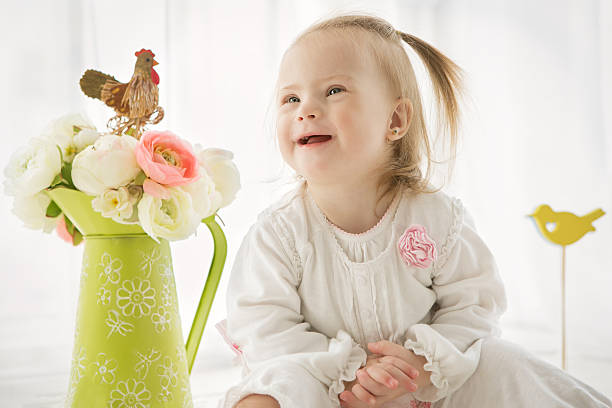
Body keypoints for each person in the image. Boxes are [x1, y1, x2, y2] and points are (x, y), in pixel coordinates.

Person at [215, 12, 612, 408]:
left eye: (334, 91)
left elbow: (474, 306)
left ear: (396, 119)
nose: (306, 109)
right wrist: (350, 370)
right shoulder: (280, 232)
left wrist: (423, 367)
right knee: (272, 387)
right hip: (331, 391)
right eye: (291, 98)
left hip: (421, 392)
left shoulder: (436, 220)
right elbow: (263, 326)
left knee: (502, 361)